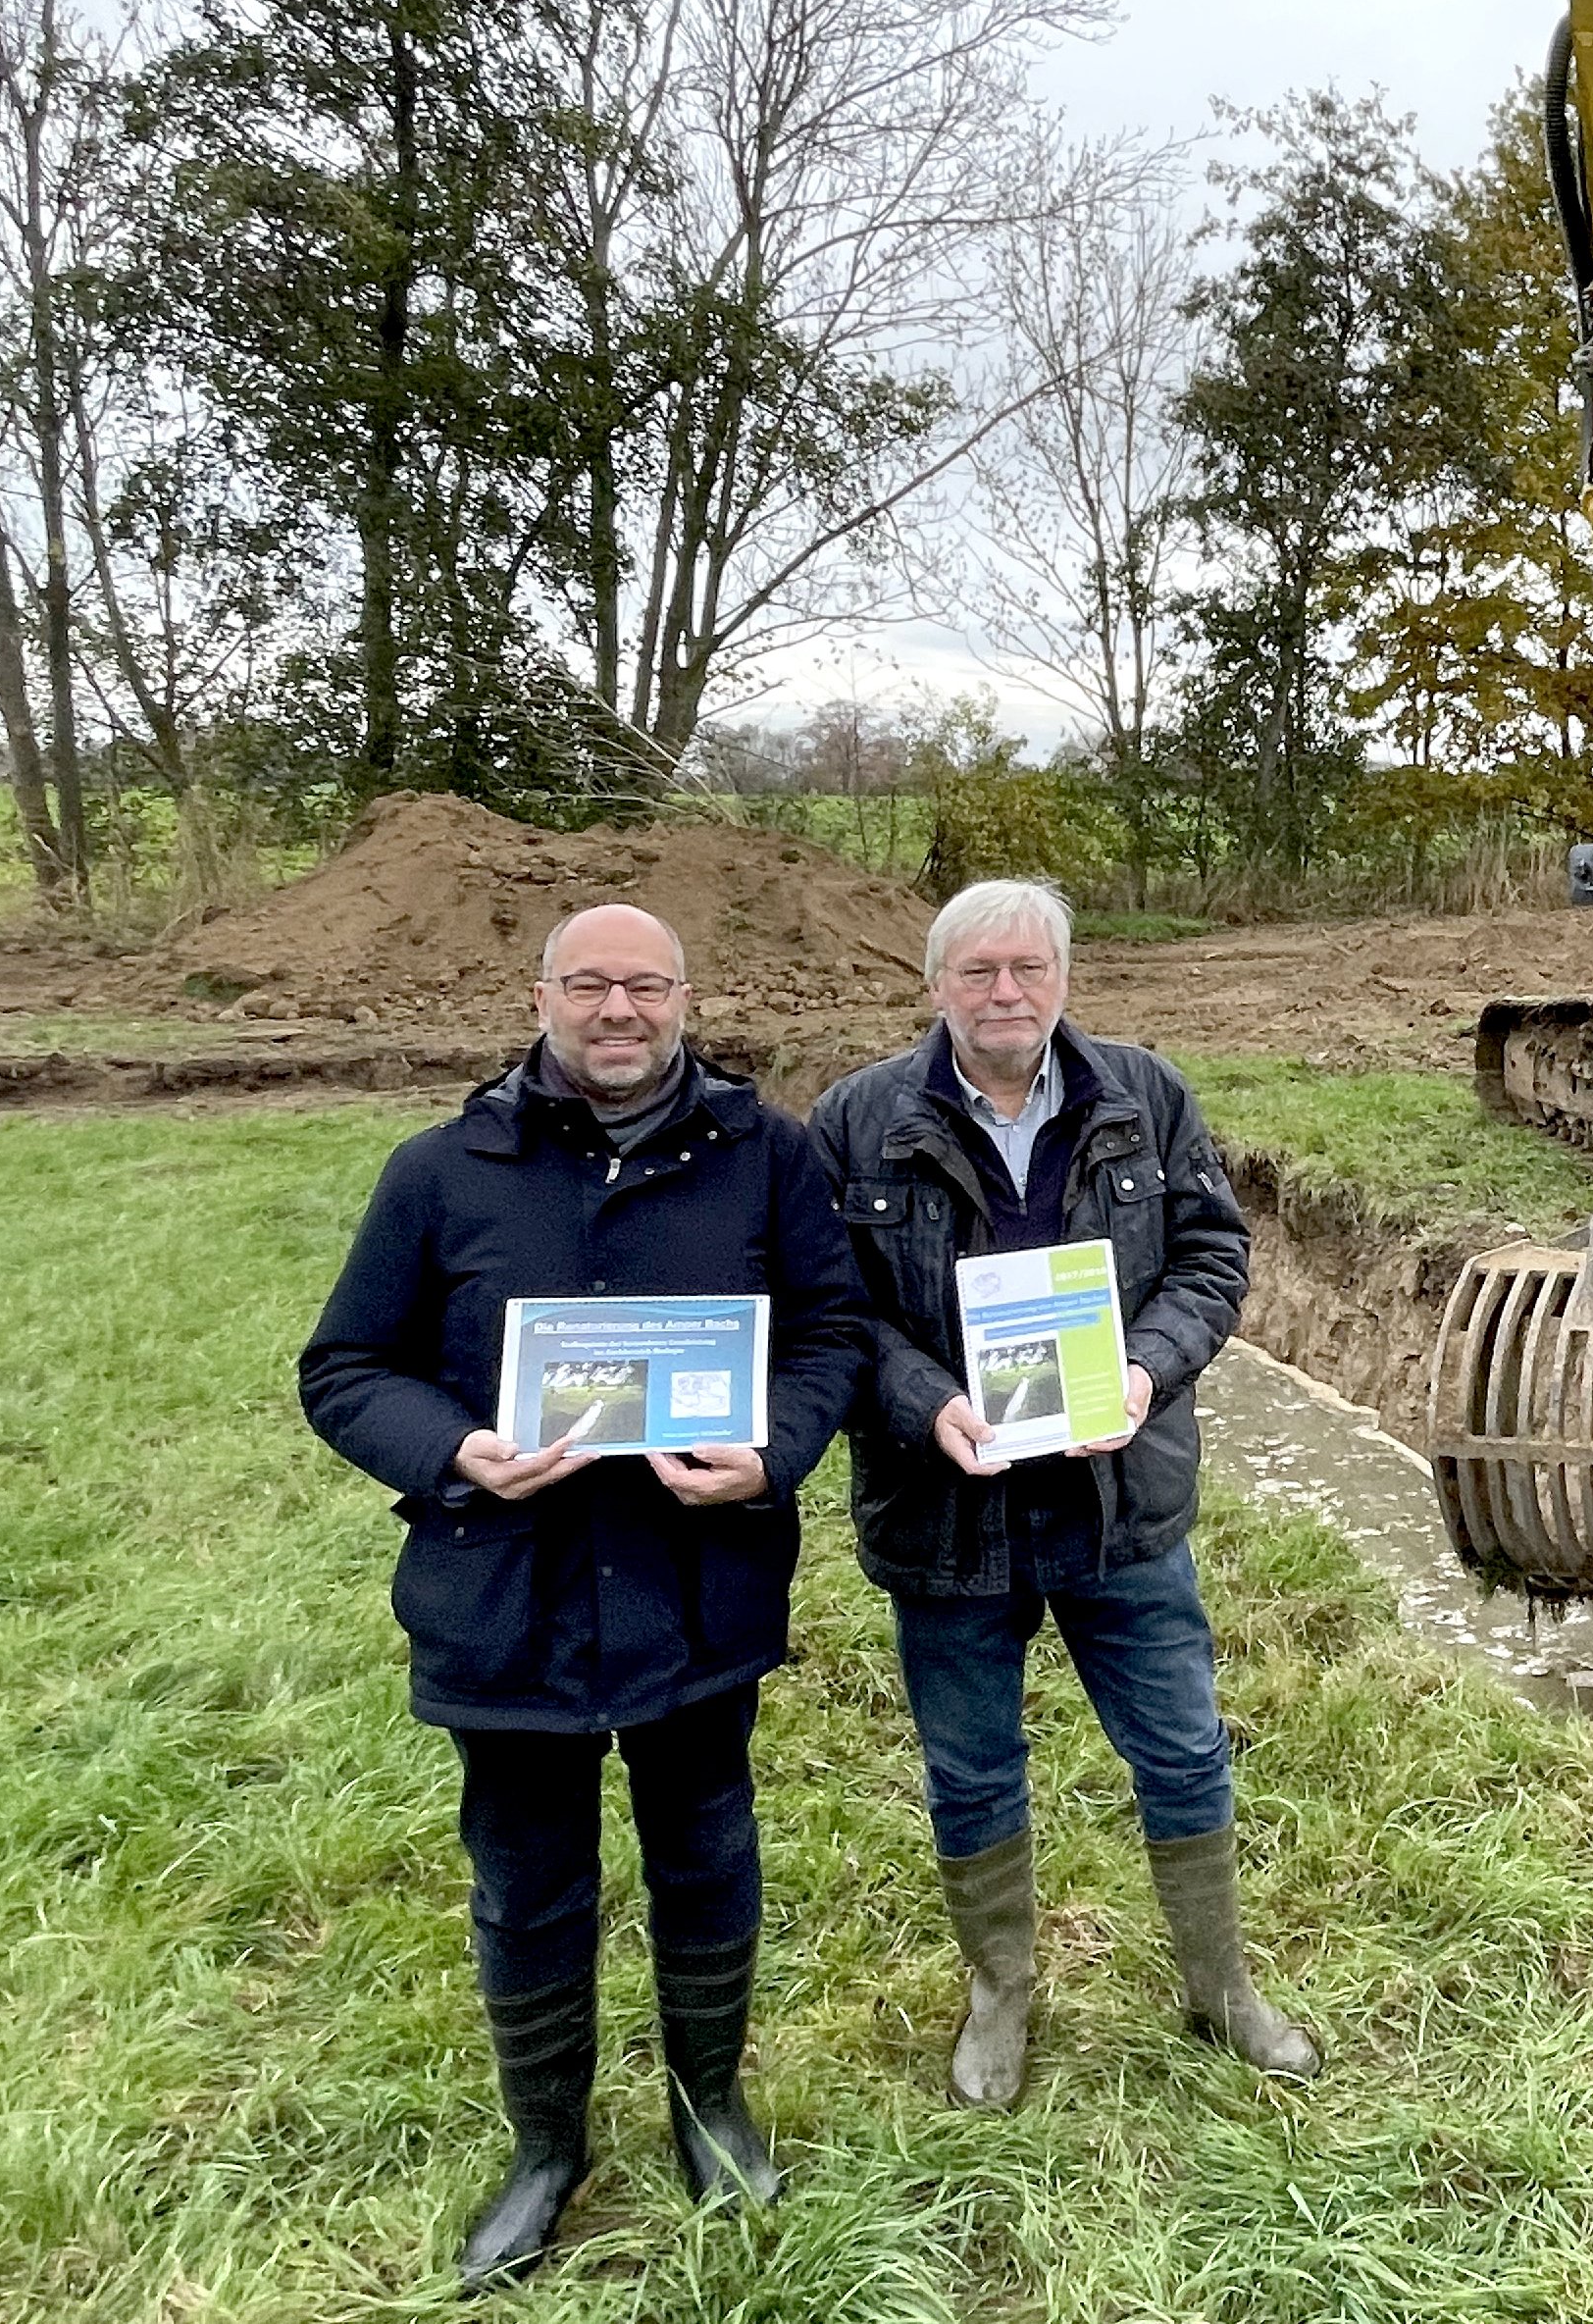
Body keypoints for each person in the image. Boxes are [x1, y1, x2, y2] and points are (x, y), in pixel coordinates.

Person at [301, 904, 868, 2290]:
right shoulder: (442, 1169)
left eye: (647, 986)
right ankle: (546, 2144)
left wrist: (774, 1448)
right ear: (541, 995)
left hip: (697, 1588)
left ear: (686, 998)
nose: (621, 1010)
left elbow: (832, 1330)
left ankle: (708, 2107)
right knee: (527, 1878)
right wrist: (455, 1448)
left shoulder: (768, 1154)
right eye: (591, 984)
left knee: (706, 1848)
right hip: (508, 1593)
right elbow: (345, 1366)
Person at [809, 878, 1318, 2108]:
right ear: (935, 982)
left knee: (1183, 1748)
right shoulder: (856, 1119)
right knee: (972, 1766)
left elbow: (1213, 1255)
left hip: (1117, 1502)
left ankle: (1220, 1983)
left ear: (1064, 978)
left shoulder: (1144, 1096)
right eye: (979, 970)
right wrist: (926, 1398)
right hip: (948, 1507)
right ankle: (1001, 1991)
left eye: (1028, 967)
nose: (1006, 991)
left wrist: (1145, 1370)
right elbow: (830, 1307)